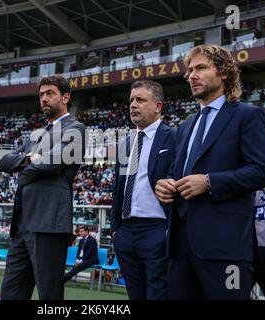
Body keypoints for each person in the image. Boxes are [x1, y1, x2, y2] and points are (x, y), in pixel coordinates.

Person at [155, 44, 265, 300]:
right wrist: (165, 185)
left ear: (223, 73)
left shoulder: (247, 115)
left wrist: (210, 182)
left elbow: (262, 171)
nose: (191, 75)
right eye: (189, 70)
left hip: (226, 247)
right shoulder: (186, 126)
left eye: (201, 68)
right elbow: (177, 173)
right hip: (179, 246)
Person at [0, 75, 86, 300]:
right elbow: (4, 161)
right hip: (22, 225)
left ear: (65, 97)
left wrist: (26, 163)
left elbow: (50, 163)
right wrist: (31, 159)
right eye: (41, 95)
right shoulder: (35, 135)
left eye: (49, 94)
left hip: (49, 223)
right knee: (11, 292)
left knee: (49, 295)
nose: (44, 99)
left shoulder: (76, 128)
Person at [110, 80, 175, 300]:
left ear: (158, 106)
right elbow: (117, 190)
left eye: (140, 100)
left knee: (158, 295)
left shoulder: (174, 137)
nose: (133, 105)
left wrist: (169, 228)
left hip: (157, 229)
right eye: (131, 100)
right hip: (126, 233)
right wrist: (115, 229)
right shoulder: (125, 143)